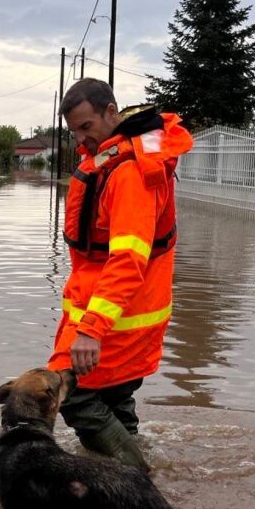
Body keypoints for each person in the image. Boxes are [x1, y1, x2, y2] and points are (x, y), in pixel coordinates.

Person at [47, 78, 194, 469]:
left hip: (117, 321)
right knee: (115, 402)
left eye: (87, 127)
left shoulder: (127, 173)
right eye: (75, 131)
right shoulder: (113, 160)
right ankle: (126, 478)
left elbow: (128, 260)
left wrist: (91, 329)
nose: (82, 139)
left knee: (68, 393)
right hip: (125, 313)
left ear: (111, 112)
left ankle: (135, 478)